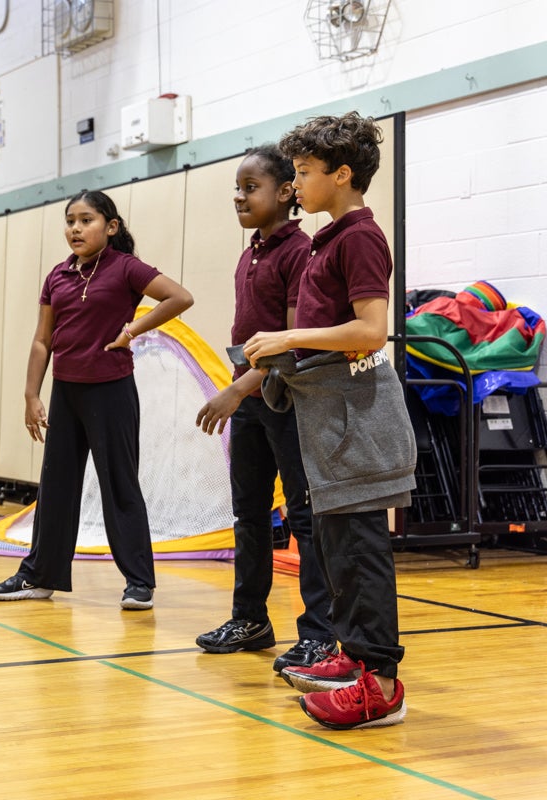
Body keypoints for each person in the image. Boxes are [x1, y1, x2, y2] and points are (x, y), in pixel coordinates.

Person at [243, 112, 417, 730]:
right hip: (327, 416)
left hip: (356, 417)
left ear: (342, 175)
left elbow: (372, 330)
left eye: (304, 174)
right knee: (338, 547)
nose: (295, 186)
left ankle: (381, 686)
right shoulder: (328, 238)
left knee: (361, 548)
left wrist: (290, 334)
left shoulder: (360, 238)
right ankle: (352, 658)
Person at [0, 189, 193, 609]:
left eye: (86, 220)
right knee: (57, 485)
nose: (76, 229)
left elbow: (180, 297)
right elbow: (43, 340)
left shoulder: (126, 268)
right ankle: (40, 576)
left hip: (111, 390)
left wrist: (133, 329)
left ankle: (139, 582)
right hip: (66, 391)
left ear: (110, 227)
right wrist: (31, 394)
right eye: (70, 221)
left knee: (119, 484)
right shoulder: (58, 276)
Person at [193, 146, 336, 673]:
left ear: (284, 193)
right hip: (251, 404)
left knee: (304, 518)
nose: (239, 195)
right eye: (237, 186)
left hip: (288, 402)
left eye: (250, 186)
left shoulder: (300, 252)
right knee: (248, 515)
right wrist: (239, 393)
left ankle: (320, 633)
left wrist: (236, 390)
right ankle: (250, 619)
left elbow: (293, 346)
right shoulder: (249, 251)